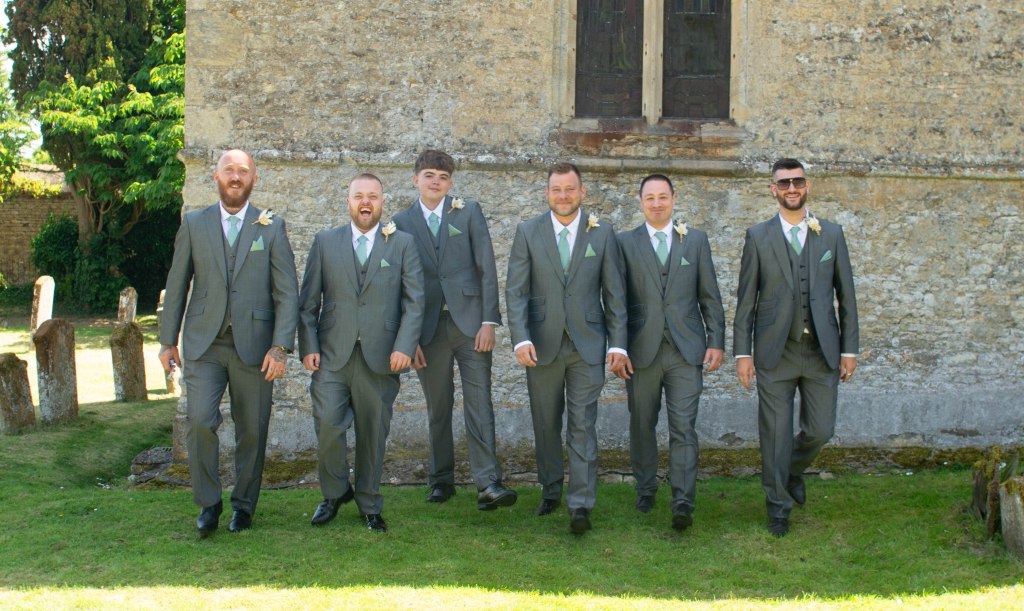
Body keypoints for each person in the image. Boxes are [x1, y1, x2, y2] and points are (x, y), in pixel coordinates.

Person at [159, 149, 299, 538]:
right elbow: (177, 285)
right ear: (216, 177)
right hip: (205, 343)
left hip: (255, 347)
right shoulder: (194, 224)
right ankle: (209, 504)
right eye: (229, 170)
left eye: (243, 171)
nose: (236, 177)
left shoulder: (271, 227)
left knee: (252, 429)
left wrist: (280, 347)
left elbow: (287, 292)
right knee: (200, 422)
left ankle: (244, 505)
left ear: (254, 179)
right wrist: (168, 341)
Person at [733, 158, 859, 537]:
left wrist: (849, 350)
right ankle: (778, 507)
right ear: (773, 189)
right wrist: (743, 353)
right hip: (776, 351)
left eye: (798, 181)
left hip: (822, 350)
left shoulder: (831, 234)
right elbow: (746, 300)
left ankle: (790, 470)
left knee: (821, 429)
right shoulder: (758, 237)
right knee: (774, 433)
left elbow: (846, 296)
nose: (792, 188)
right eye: (784, 182)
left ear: (807, 186)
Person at [505, 162, 628, 535]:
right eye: (556, 189)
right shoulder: (528, 232)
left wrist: (618, 344)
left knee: (582, 424)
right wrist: (521, 338)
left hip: (587, 345)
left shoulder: (602, 233)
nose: (563, 196)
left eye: (570, 189)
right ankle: (550, 489)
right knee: (545, 423)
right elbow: (516, 291)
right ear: (547, 193)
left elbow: (615, 294)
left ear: (582, 192)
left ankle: (580, 504)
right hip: (541, 345)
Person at [299, 173, 424, 533]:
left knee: (373, 433)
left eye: (372, 196)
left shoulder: (402, 244)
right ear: (349, 202)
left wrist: (404, 346)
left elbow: (415, 301)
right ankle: (335, 492)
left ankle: (369, 502)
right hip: (331, 355)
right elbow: (308, 303)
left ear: (382, 202)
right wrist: (308, 346)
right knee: (327, 425)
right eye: (358, 196)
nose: (365, 202)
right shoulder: (325, 242)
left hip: (381, 357)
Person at [393, 150, 516, 510]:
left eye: (443, 177)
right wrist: (408, 339)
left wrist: (489, 321)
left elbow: (486, 267)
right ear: (415, 180)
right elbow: (399, 284)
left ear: (450, 183)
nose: (436, 182)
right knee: (438, 406)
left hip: (471, 326)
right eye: (429, 175)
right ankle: (441, 480)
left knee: (480, 402)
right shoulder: (400, 222)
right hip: (427, 329)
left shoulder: (469, 212)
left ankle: (488, 483)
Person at [614, 174, 725, 531]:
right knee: (641, 424)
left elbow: (709, 295)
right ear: (641, 201)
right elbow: (615, 300)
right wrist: (619, 347)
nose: (657, 203)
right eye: (650, 197)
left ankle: (683, 500)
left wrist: (716, 341)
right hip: (641, 351)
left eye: (663, 196)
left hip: (685, 350)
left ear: (674, 199)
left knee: (683, 427)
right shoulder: (624, 243)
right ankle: (646, 488)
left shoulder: (695, 240)